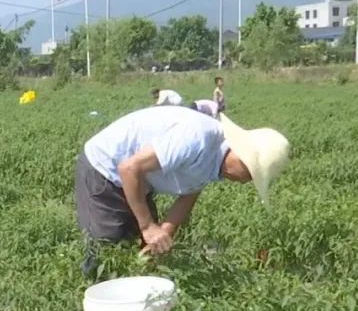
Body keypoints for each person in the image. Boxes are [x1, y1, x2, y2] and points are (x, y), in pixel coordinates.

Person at [74, 106, 290, 273]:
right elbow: (129, 168)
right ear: (241, 156)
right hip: (104, 168)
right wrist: (149, 226)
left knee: (143, 248)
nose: (245, 182)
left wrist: (164, 232)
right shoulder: (197, 138)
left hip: (139, 179)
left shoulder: (219, 163)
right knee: (106, 245)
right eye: (250, 174)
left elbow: (188, 195)